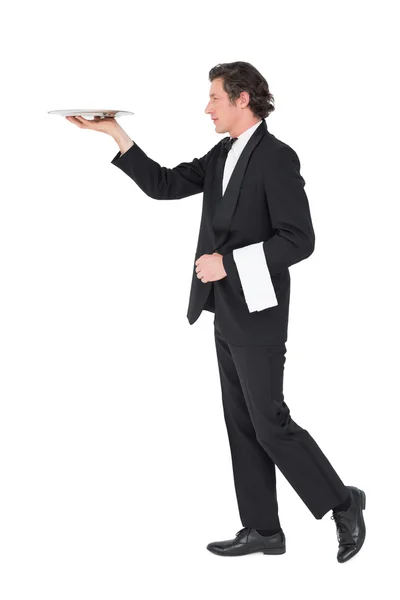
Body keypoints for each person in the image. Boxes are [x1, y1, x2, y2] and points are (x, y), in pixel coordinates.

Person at [65, 61, 366, 563]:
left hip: (259, 312)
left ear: (243, 99)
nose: (207, 108)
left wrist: (228, 263)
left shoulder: (277, 157)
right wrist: (114, 132)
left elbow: (299, 240)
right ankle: (263, 529)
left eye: (215, 98)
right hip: (222, 311)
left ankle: (343, 501)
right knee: (241, 421)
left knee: (270, 421)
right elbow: (163, 184)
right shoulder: (223, 153)